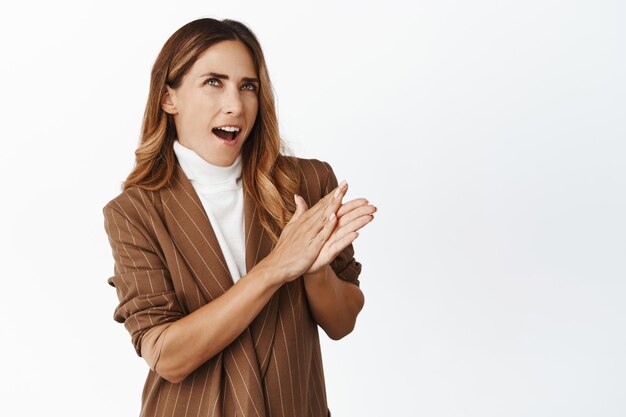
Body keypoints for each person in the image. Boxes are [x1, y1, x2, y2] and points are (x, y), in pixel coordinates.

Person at [102, 17, 376, 417]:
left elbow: (342, 323)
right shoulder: (135, 213)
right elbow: (167, 356)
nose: (235, 104)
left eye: (247, 86)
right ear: (168, 99)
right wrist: (275, 269)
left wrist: (316, 272)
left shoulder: (309, 182)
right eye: (214, 82)